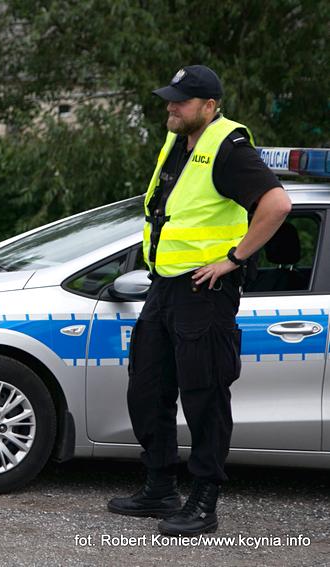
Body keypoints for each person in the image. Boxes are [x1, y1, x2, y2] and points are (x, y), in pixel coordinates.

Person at [106, 65, 291, 535]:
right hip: (165, 287)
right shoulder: (179, 142)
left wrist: (234, 258)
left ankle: (204, 502)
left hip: (204, 292)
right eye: (170, 98)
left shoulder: (229, 148)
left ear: (209, 106)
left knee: (204, 397)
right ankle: (159, 488)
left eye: (181, 101)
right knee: (147, 389)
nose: (171, 106)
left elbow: (277, 205)